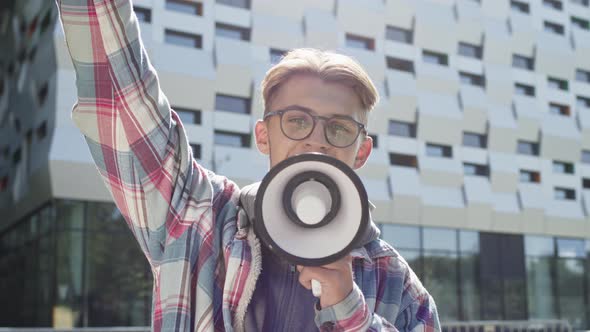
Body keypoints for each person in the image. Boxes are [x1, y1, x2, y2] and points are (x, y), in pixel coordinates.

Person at [56, 0, 440, 331]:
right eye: (296, 119)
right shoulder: (198, 217)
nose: (316, 139)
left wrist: (349, 311)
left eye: (339, 128)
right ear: (263, 136)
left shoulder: (399, 285)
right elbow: (121, 94)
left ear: (361, 151)